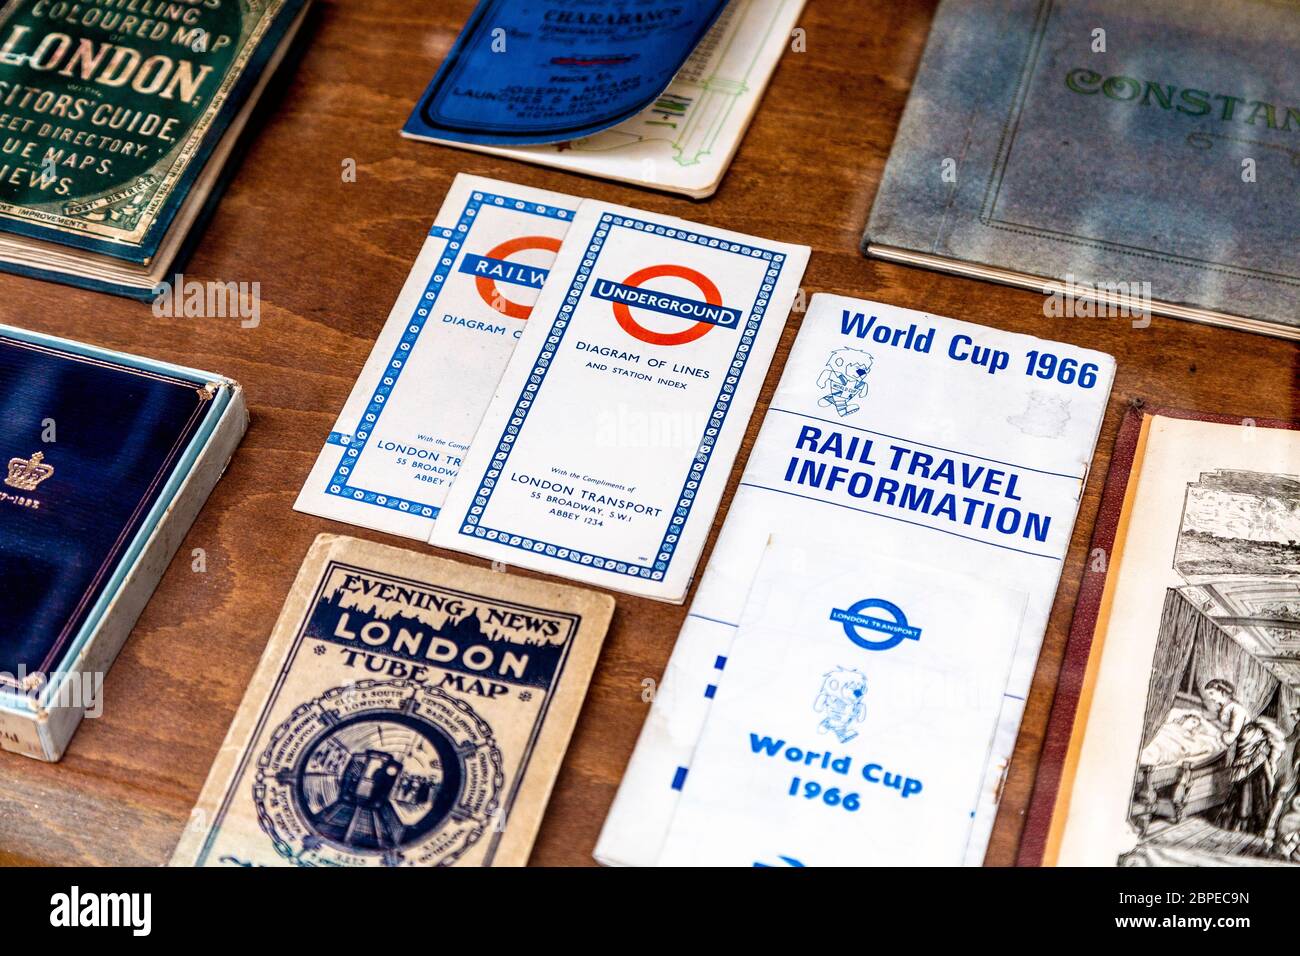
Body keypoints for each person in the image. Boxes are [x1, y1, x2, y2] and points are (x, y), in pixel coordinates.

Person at [1217, 719, 1283, 836]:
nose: (1264, 745)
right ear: (1256, 744)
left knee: (1247, 809)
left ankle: (1241, 828)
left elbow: (1235, 780)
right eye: (1262, 742)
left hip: (1251, 799)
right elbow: (1268, 776)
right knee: (1252, 809)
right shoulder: (1259, 757)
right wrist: (1271, 788)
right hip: (1255, 797)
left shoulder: (1241, 761)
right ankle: (1247, 828)